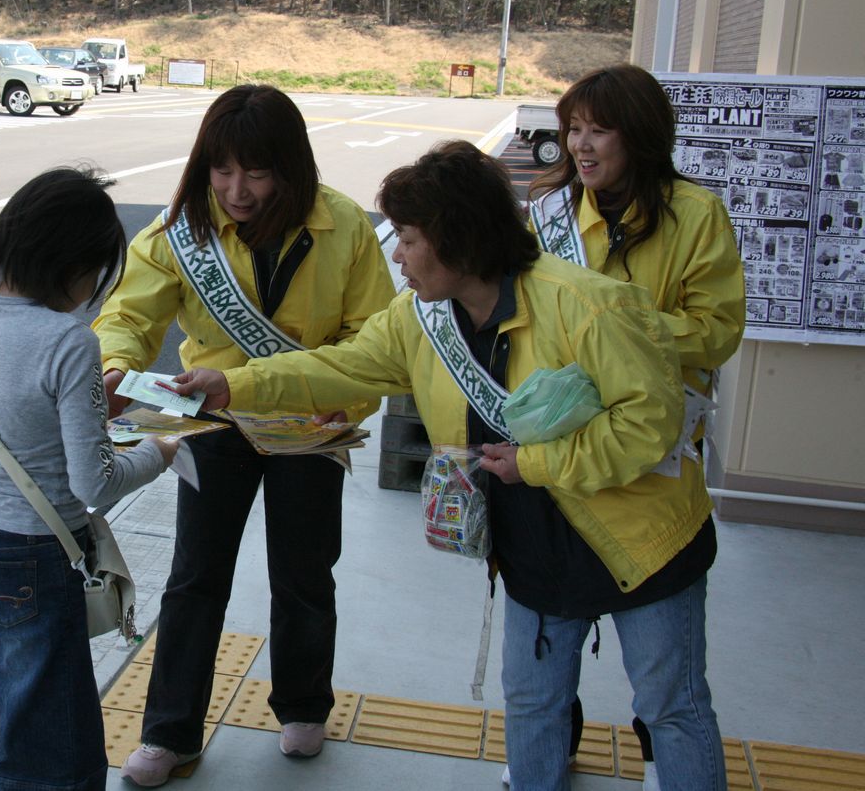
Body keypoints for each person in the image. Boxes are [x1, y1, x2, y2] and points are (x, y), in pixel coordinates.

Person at [173, 141, 728, 791]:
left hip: (645, 542)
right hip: (535, 547)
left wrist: (537, 462)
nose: (398, 254)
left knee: (672, 710)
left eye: (408, 239)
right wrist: (232, 386)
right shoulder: (422, 316)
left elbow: (650, 425)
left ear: (456, 238)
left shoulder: (589, 307)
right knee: (531, 703)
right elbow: (337, 364)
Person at [92, 84, 395, 786]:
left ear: (291, 166)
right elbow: (130, 317)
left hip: (312, 426)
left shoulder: (345, 227)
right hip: (212, 422)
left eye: (255, 171)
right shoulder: (181, 231)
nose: (236, 189)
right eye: (221, 169)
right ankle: (171, 732)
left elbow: (375, 344)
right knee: (194, 578)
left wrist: (342, 403)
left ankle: (302, 704)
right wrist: (114, 364)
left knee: (304, 573)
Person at [0, 167, 178, 791]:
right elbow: (94, 483)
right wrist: (161, 452)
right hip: (37, 557)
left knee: (16, 716)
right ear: (70, 264)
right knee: (59, 746)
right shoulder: (68, 340)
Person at [527, 63, 745, 789]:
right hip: (564, 468)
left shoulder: (696, 215)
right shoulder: (551, 211)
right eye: (573, 129)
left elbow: (715, 332)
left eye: (599, 130)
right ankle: (546, 759)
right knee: (540, 679)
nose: (581, 146)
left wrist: (616, 324)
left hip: (654, 473)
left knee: (670, 691)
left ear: (641, 136)